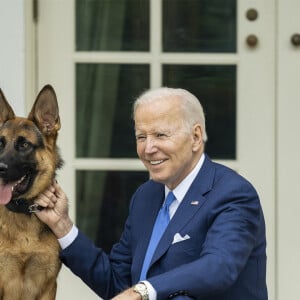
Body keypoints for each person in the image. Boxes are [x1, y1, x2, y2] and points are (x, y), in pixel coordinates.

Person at [36, 87, 268, 300]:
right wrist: (62, 226)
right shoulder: (146, 196)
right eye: (141, 137)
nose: (148, 149)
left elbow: (218, 267)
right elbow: (117, 284)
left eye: (160, 135)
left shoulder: (233, 193)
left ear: (196, 137)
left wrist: (144, 290)